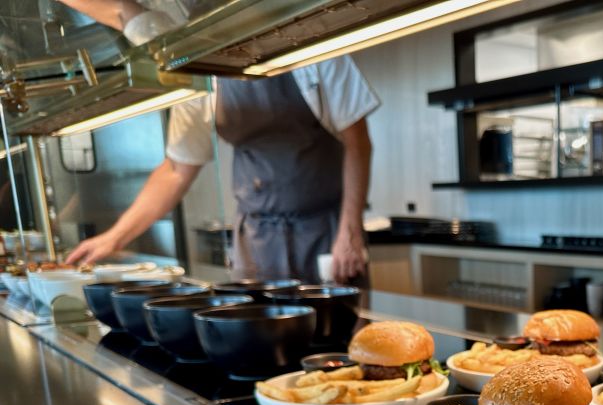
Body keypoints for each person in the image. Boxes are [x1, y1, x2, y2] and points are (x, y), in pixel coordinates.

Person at [67, 57, 379, 283]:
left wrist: (349, 230)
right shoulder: (199, 71)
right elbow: (177, 170)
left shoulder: (315, 50)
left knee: (339, 345)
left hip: (327, 232)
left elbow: (358, 143)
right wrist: (115, 237)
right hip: (256, 238)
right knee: (260, 344)